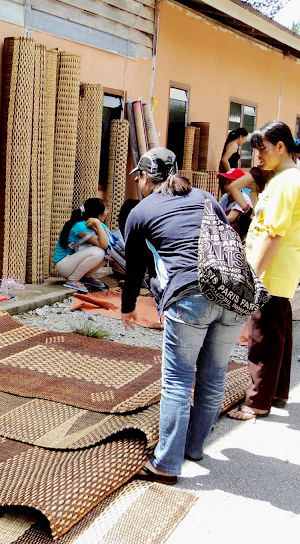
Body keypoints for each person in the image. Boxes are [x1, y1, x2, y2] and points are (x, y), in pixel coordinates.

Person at [122, 148, 249, 485]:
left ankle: (166, 464)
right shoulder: (206, 197)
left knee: (178, 380)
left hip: (191, 295)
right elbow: (226, 240)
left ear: (145, 178)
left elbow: (134, 268)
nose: (138, 182)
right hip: (234, 292)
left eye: (139, 176)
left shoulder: (140, 211)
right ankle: (193, 448)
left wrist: (128, 306)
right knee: (214, 374)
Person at [227, 121, 300, 420]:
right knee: (278, 334)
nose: (258, 156)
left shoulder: (285, 181)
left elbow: (273, 233)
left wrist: (253, 276)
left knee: (263, 339)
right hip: (279, 269)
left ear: (280, 147)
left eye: (262, 149)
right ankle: (277, 393)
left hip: (271, 270)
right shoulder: (286, 177)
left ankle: (256, 402)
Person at [53, 198, 108, 292]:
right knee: (99, 252)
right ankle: (73, 279)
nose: (107, 212)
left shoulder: (99, 225)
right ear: (99, 214)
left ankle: (86, 276)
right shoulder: (80, 226)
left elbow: (109, 245)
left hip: (74, 263)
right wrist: (98, 223)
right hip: (64, 265)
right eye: (106, 209)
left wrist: (98, 224)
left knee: (109, 252)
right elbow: (104, 245)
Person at [217, 168, 252, 238]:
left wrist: (213, 221)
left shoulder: (243, 198)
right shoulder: (225, 197)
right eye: (225, 184)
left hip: (241, 234)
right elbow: (219, 211)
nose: (226, 187)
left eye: (230, 183)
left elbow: (231, 218)